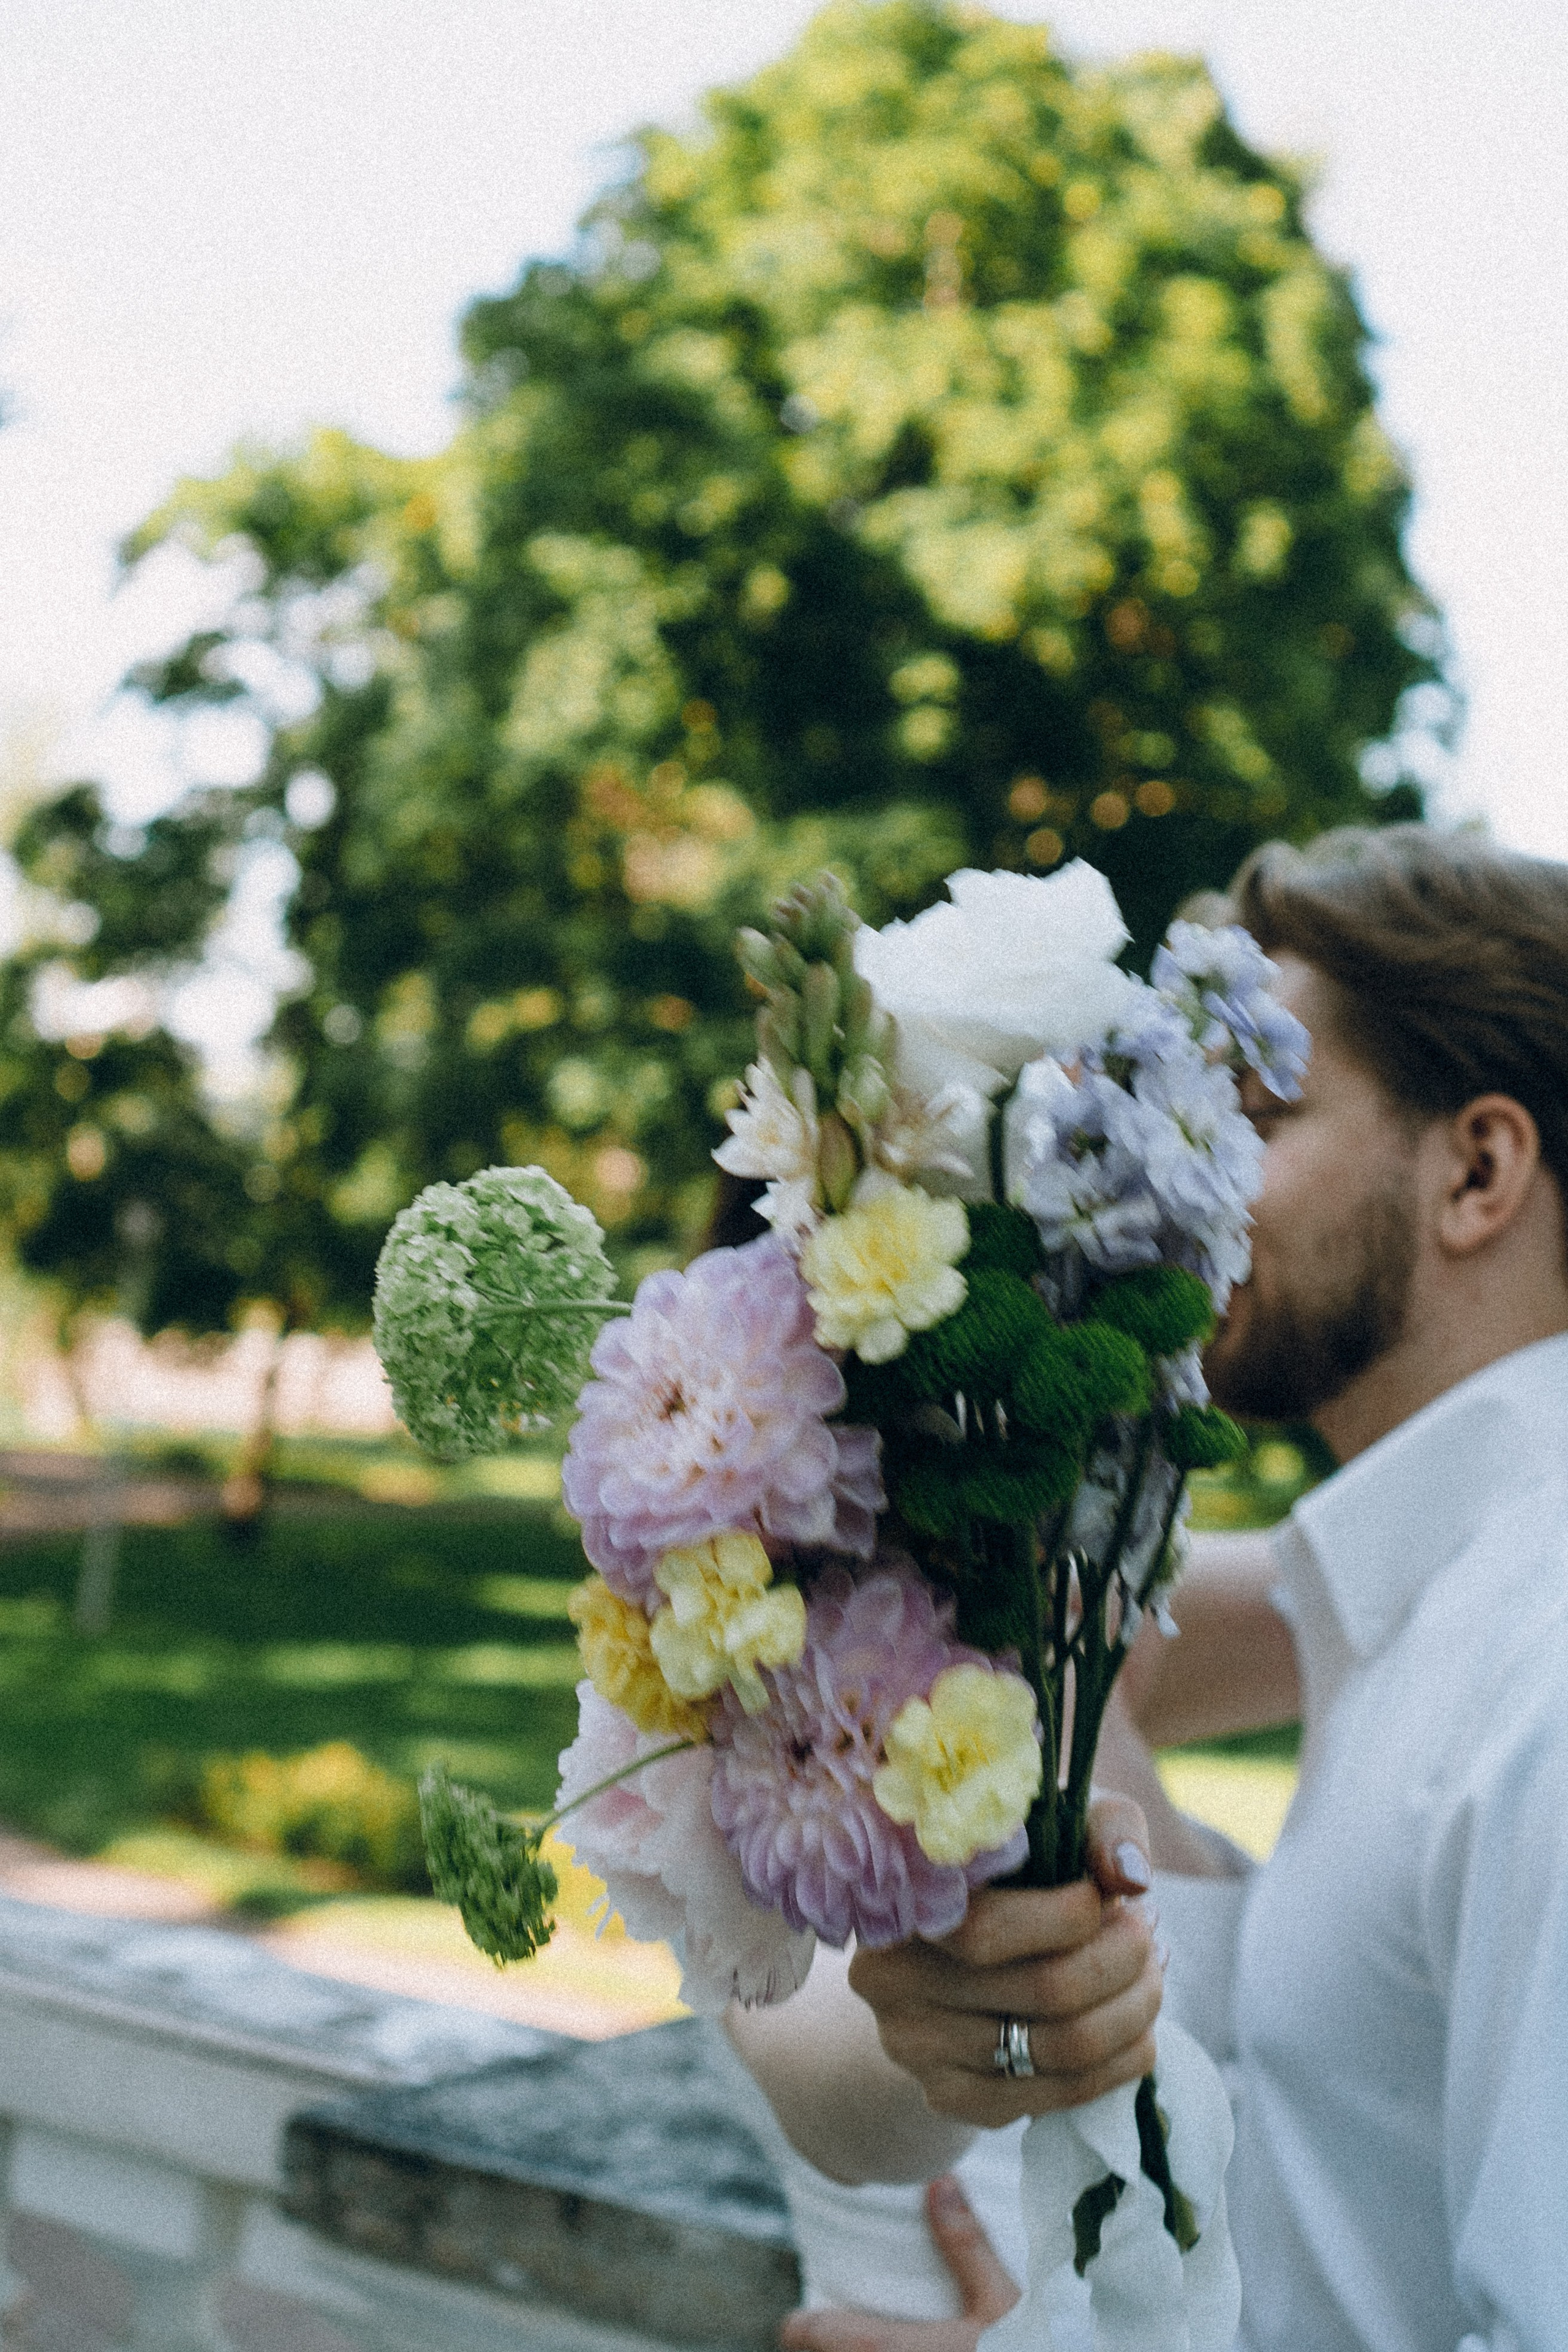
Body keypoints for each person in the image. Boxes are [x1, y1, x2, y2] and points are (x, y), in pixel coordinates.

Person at [734, 826, 1568, 2352]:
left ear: (1476, 1168)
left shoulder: (1541, 1666)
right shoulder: (1410, 1595)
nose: (1154, 1172)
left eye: (1251, 1110)